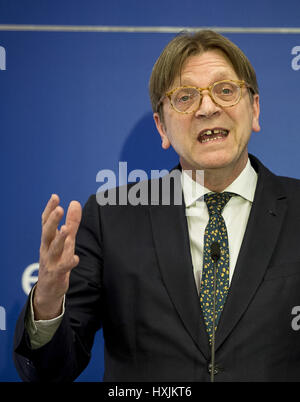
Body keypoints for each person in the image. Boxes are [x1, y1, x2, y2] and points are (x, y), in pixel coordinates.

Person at [13, 29, 300, 382]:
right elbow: (49, 372)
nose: (208, 108)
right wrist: (47, 300)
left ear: (254, 109)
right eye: (185, 97)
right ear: (161, 127)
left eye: (226, 91)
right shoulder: (110, 217)